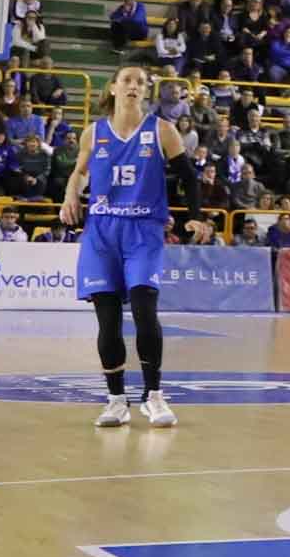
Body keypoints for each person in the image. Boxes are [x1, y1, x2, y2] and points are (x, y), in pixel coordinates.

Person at [59, 65, 195, 431]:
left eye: (141, 83)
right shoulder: (94, 132)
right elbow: (79, 172)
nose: (134, 86)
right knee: (107, 320)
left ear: (146, 92)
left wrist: (194, 217)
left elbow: (189, 177)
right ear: (114, 88)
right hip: (101, 232)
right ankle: (116, 400)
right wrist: (71, 194)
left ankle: (153, 396)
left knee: (144, 309)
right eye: (128, 81)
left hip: (143, 231)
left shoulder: (162, 130)